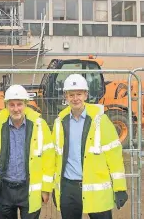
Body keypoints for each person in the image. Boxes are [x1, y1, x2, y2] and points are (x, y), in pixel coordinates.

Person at [52, 74, 128, 219]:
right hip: (68, 188)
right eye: (71, 94)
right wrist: (56, 188)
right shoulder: (59, 122)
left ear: (86, 95)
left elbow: (114, 156)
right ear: (66, 97)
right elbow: (55, 157)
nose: (75, 98)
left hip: (96, 189)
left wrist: (120, 187)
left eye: (79, 94)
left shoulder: (100, 120)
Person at [0, 85, 55, 219]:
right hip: (4, 189)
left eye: (19, 104)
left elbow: (48, 159)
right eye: (12, 105)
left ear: (26, 104)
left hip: (29, 189)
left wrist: (46, 188)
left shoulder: (39, 125)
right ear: (6, 105)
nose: (16, 109)